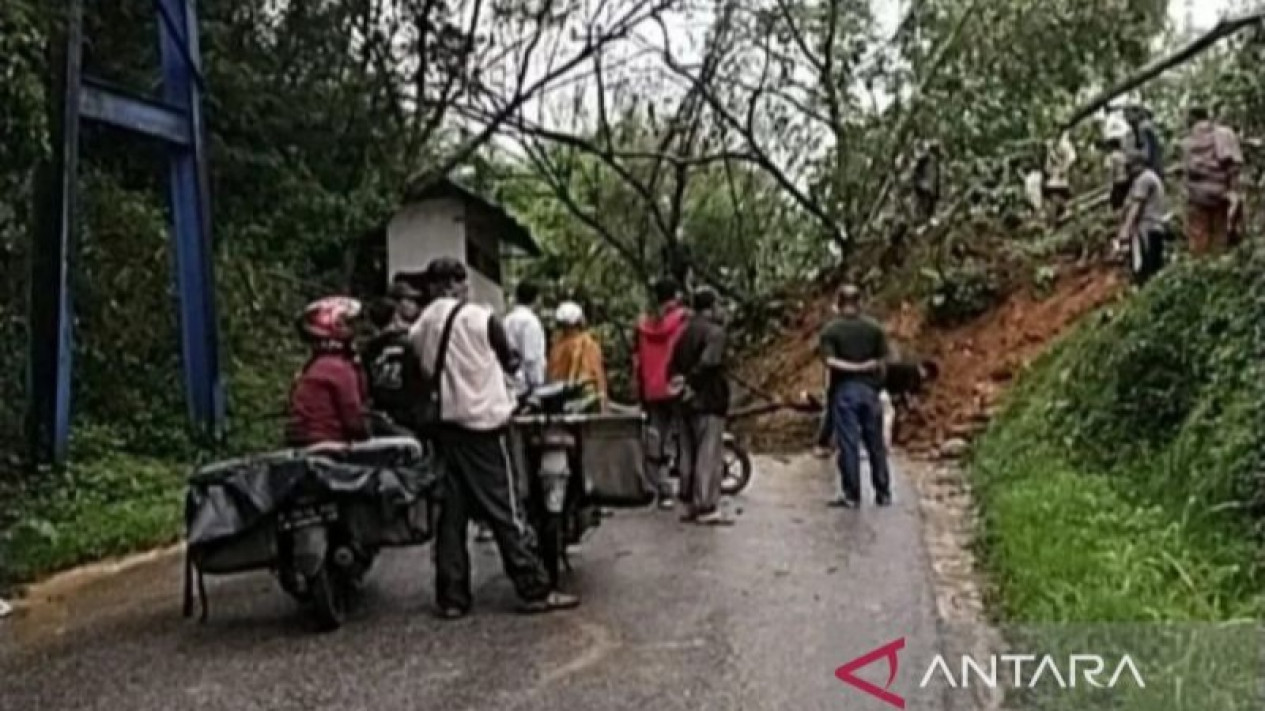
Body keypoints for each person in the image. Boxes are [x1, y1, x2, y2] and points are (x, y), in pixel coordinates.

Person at [409, 257, 579, 618]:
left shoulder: (420, 326)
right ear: (459, 284)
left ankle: (452, 597)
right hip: (483, 428)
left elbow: (420, 372)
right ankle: (533, 586)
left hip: (445, 430)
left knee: (451, 518)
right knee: (506, 509)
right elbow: (511, 361)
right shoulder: (480, 318)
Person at [819, 285, 891, 508]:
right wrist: (869, 372)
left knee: (848, 443)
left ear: (838, 304)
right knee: (875, 443)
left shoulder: (831, 331)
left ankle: (852, 494)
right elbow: (883, 361)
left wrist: (852, 367)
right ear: (860, 303)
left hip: (845, 391)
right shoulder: (874, 329)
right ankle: (883, 492)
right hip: (870, 392)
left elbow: (829, 362)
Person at [669, 288, 731, 525]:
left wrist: (679, 386)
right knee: (708, 454)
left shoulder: (683, 333)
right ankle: (705, 504)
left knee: (687, 453)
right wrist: (692, 384)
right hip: (708, 400)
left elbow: (672, 365)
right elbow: (709, 362)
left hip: (684, 404)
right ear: (712, 306)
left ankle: (688, 501)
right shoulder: (715, 333)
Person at [634, 278, 691, 507]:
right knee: (683, 437)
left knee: (656, 436)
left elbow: (637, 360)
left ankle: (660, 488)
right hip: (675, 385)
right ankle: (687, 488)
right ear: (675, 295)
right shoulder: (682, 321)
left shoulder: (643, 325)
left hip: (652, 388)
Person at [285, 297, 370, 448]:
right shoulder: (338, 368)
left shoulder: (314, 366)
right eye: (348, 324)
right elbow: (354, 421)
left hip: (306, 444)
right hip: (329, 447)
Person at [362, 281, 426, 431]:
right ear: (396, 307)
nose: (414, 305)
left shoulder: (369, 347)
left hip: (380, 413)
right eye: (409, 300)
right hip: (408, 414)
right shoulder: (411, 342)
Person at [1181, 106, 1244, 257]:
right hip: (1220, 192)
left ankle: (1200, 268)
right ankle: (1217, 266)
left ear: (1192, 119)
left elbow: (1188, 170)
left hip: (1197, 194)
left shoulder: (1187, 141)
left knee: (1198, 236)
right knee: (1219, 235)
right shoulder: (1223, 133)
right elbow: (1233, 165)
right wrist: (1234, 190)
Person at [1117, 152, 1169, 285]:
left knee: (1145, 269)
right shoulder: (1150, 177)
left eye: (1129, 167)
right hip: (1155, 227)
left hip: (1146, 228)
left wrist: (1125, 230)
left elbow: (1136, 207)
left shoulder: (1143, 180)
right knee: (1154, 267)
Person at [546, 301, 608, 409]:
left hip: (559, 398)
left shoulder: (557, 345)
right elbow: (597, 373)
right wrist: (602, 399)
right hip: (584, 397)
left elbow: (551, 375)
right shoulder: (587, 343)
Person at [504, 281, 547, 397]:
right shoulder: (531, 321)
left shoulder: (507, 319)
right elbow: (531, 357)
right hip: (527, 386)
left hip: (510, 381)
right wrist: (536, 383)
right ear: (536, 298)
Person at [1124, 105, 1164, 176]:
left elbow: (1145, 155)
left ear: (1137, 114)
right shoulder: (1138, 130)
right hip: (1152, 168)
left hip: (1151, 169)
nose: (1126, 118)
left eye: (1127, 114)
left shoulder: (1144, 127)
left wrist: (1130, 153)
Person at [912, 140, 942, 224]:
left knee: (928, 207)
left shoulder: (933, 162)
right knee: (923, 206)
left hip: (928, 188)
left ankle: (925, 221)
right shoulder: (925, 161)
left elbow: (935, 179)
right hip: (924, 187)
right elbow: (916, 174)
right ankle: (921, 221)